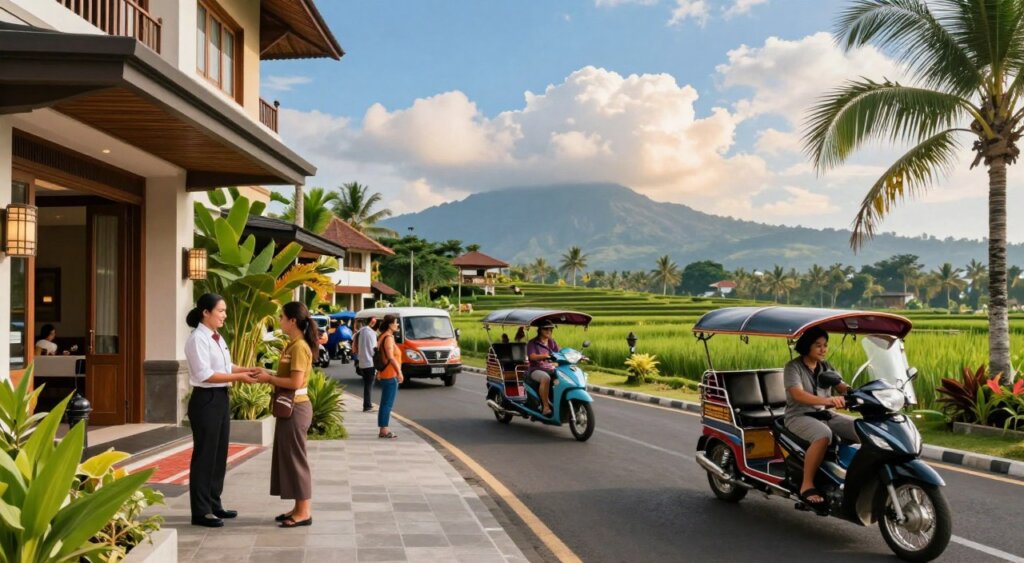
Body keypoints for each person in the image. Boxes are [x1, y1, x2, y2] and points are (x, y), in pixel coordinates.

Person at [184, 293, 261, 528]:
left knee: (218, 455)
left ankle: (214, 503)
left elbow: (225, 366)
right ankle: (201, 511)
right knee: (205, 456)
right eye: (221, 311)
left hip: (220, 398)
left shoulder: (217, 337)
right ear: (205, 312)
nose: (224, 315)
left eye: (225, 311)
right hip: (205, 399)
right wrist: (239, 377)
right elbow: (205, 374)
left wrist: (247, 369)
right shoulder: (197, 339)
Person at [783, 327, 859, 512]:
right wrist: (827, 400)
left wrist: (858, 395)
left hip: (824, 414)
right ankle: (807, 485)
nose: (823, 349)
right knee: (823, 435)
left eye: (825, 345)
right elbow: (797, 395)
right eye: (818, 345)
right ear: (807, 346)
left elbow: (842, 386)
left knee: (860, 429)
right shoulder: (793, 367)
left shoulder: (827, 367)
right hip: (799, 416)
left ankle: (855, 478)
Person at [256, 301, 317, 528]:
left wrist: (269, 379)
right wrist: (267, 373)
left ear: (292, 321)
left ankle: (304, 512)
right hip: (289, 408)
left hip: (297, 408)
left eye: (282, 317)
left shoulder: (299, 347)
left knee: (295, 459)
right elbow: (287, 374)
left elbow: (295, 381)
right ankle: (297, 507)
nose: (279, 321)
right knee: (288, 458)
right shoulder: (291, 345)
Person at [376, 314, 403, 439]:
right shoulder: (388, 338)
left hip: (385, 373)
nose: (397, 325)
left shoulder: (382, 336)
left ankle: (383, 428)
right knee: (387, 403)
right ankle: (384, 430)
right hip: (390, 374)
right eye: (396, 323)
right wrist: (399, 372)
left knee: (384, 403)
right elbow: (390, 357)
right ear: (390, 325)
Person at [526, 322, 560, 416]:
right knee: (546, 378)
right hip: (536, 369)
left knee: (562, 377)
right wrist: (544, 356)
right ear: (540, 330)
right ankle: (545, 407)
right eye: (546, 329)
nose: (549, 331)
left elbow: (559, 353)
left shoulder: (552, 342)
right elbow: (532, 356)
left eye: (550, 329)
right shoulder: (533, 343)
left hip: (550, 368)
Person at [353, 316, 378, 412]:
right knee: (369, 385)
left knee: (367, 384)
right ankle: (367, 406)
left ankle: (367, 404)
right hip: (370, 362)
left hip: (362, 362)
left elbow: (355, 347)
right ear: (372, 322)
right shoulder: (371, 333)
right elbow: (374, 349)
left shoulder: (359, 332)